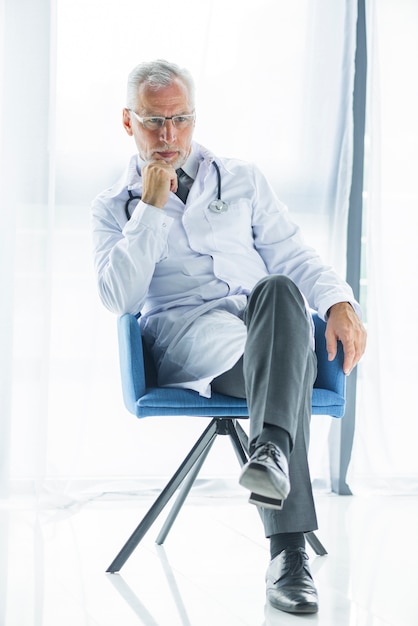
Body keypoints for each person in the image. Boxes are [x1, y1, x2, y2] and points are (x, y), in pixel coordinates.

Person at [91, 59, 366, 615]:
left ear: (194, 118)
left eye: (181, 120)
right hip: (191, 343)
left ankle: (267, 453)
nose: (169, 137)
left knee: (282, 287)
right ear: (128, 123)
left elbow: (292, 251)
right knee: (283, 374)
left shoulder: (240, 177)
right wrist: (149, 206)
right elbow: (118, 298)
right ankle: (288, 552)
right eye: (153, 122)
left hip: (266, 326)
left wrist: (338, 301)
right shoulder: (113, 207)